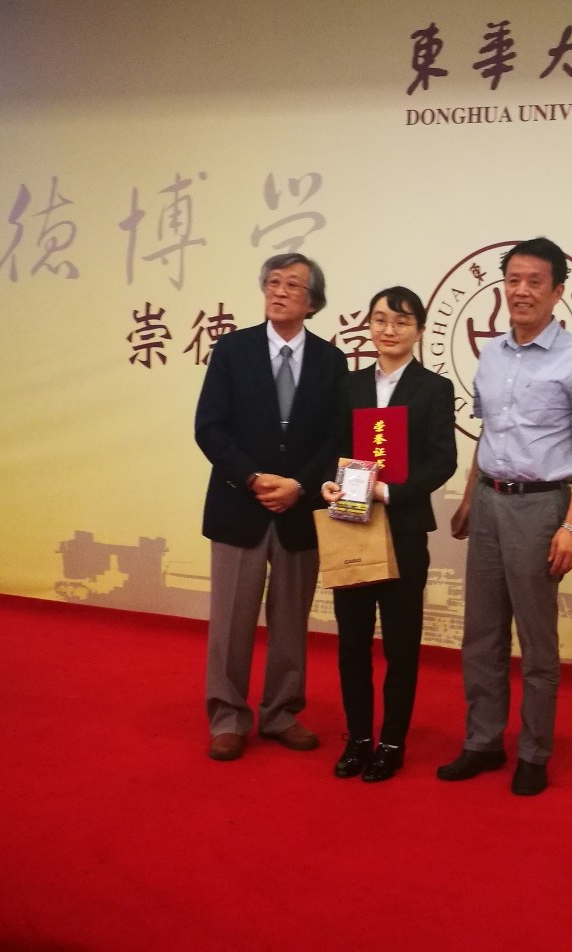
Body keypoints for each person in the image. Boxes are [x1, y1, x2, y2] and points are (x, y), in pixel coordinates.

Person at [438, 237, 572, 796]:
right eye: (513, 280)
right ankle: (483, 741)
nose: (521, 291)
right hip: (489, 502)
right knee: (481, 634)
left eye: (535, 281)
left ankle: (535, 752)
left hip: (541, 508)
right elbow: (488, 432)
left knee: (536, 641)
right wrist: (470, 497)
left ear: (557, 291)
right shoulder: (490, 354)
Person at [195, 252, 348, 761]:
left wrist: (300, 485)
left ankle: (281, 712)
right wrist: (253, 477)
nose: (279, 292)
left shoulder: (331, 362)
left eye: (292, 285)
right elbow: (209, 426)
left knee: (290, 622)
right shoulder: (232, 349)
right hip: (239, 504)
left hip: (299, 511)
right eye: (273, 282)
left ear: (312, 302)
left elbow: (337, 437)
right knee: (230, 621)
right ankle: (227, 716)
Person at [321, 287, 457, 782]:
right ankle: (358, 738)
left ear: (419, 330)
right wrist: (328, 484)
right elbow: (332, 448)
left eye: (400, 321)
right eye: (380, 319)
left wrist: (392, 492)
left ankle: (392, 743)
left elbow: (443, 460)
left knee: (401, 645)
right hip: (352, 525)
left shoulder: (433, 388)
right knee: (352, 643)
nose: (388, 329)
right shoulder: (350, 385)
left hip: (403, 529)